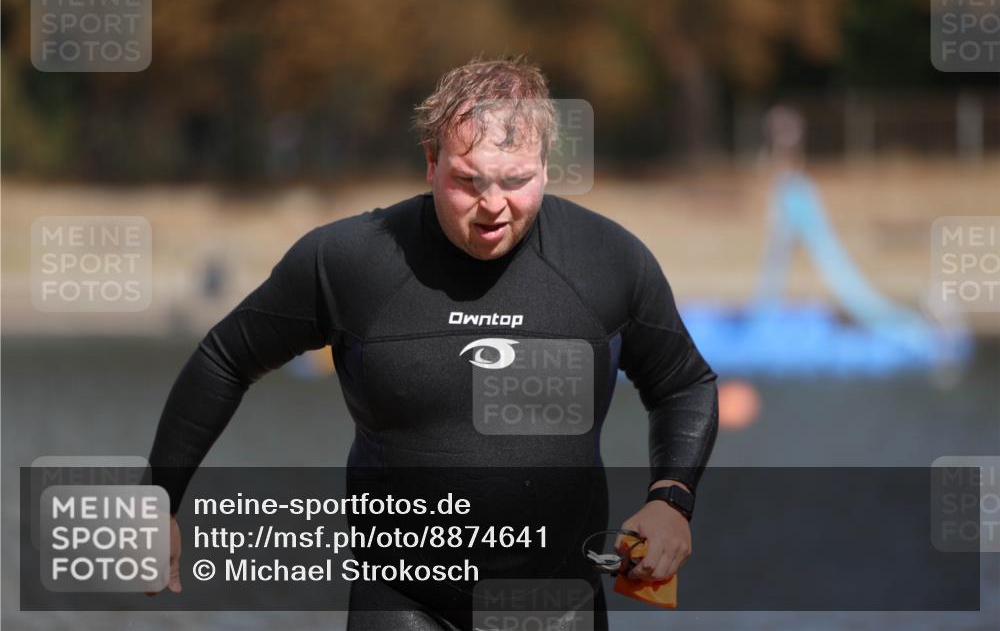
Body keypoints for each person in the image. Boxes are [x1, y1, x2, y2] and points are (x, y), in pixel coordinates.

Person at [147, 55, 718, 630]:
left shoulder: (607, 262)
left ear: (546, 166)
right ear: (430, 162)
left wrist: (671, 499)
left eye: (516, 181)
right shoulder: (351, 262)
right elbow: (225, 359)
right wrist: (158, 499)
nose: (493, 205)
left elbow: (684, 384)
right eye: (468, 181)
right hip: (403, 605)